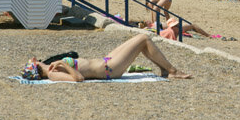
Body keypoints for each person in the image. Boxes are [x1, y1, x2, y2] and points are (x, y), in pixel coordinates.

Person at [22, 34, 191, 82]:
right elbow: (78, 78)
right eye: (33, 62)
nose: (34, 59)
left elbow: (32, 59)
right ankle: (172, 71)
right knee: (143, 39)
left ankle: (165, 70)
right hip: (109, 70)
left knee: (141, 40)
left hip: (105, 61)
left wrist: (58, 62)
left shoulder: (49, 66)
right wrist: (63, 64)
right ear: (36, 67)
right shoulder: (52, 73)